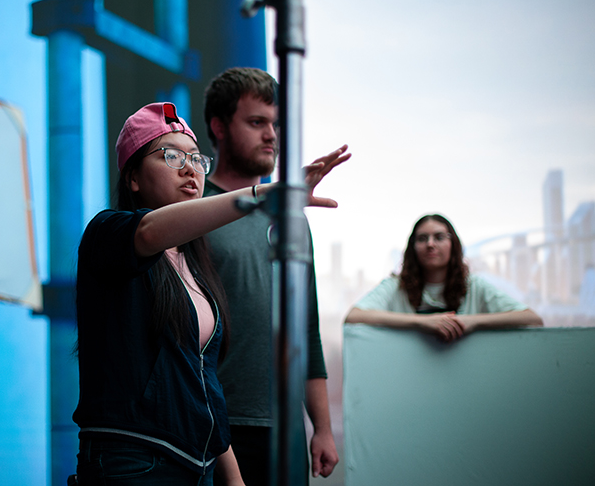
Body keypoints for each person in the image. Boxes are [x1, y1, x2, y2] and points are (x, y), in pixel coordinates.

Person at [72, 102, 345, 485]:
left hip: (196, 466)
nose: (189, 169)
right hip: (134, 462)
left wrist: (232, 479)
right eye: (170, 156)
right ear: (132, 177)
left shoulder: (193, 264)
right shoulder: (107, 232)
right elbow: (150, 231)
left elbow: (205, 385)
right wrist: (261, 196)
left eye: (197, 160)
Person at [202, 67, 348, 483]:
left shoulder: (293, 220)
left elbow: (308, 329)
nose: (271, 135)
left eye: (276, 125)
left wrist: (320, 427)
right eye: (256, 122)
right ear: (220, 126)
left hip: (285, 429)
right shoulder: (194, 210)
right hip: (217, 429)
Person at [345, 214, 544, 341]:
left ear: (453, 245)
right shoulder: (396, 286)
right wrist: (422, 322)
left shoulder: (474, 285)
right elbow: (354, 316)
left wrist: (472, 322)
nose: (430, 244)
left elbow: (531, 318)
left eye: (439, 237)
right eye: (422, 239)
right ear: (412, 248)